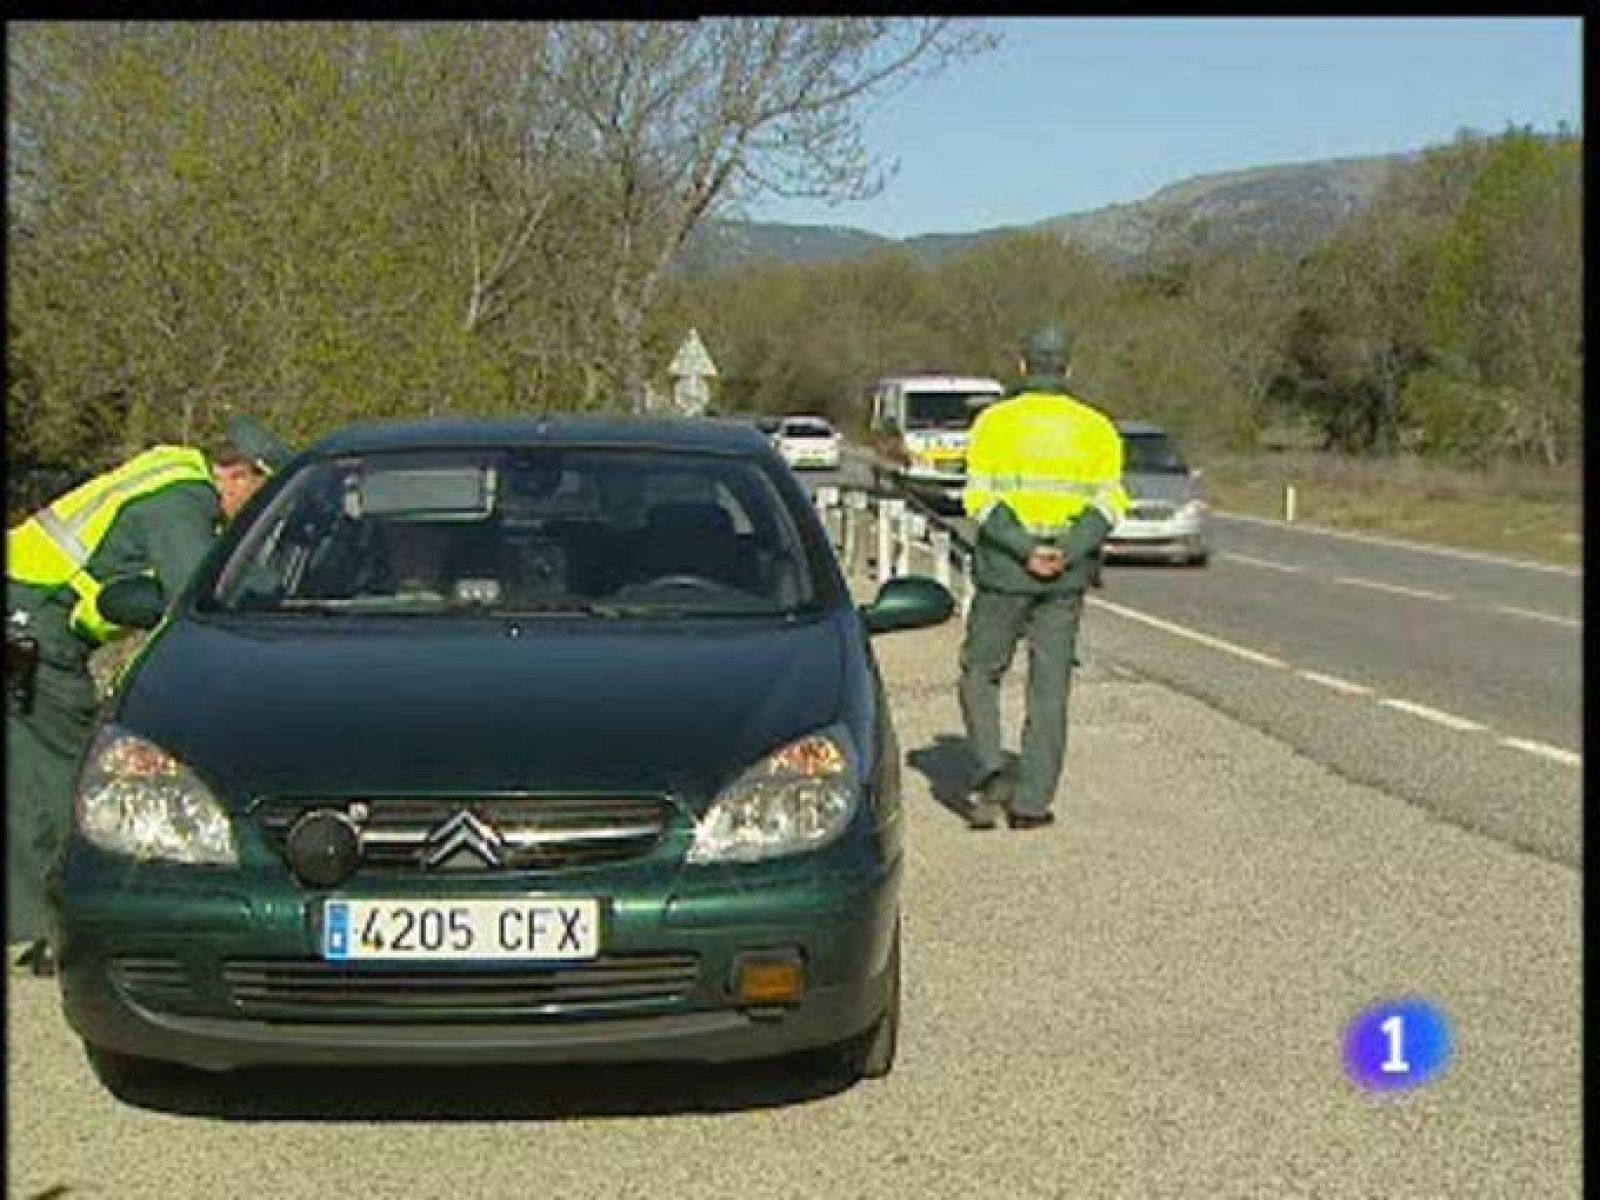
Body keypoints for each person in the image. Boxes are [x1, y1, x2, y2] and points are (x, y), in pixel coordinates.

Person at [5, 416, 285, 975]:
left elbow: (122, 591)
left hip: (31, 616)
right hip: (34, 627)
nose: (251, 515)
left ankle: (38, 927)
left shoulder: (163, 473)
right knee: (68, 774)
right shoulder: (179, 502)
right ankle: (58, 934)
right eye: (259, 495)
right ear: (237, 474)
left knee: (34, 771)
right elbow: (194, 606)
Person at [958, 326, 1129, 832]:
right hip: (1065, 578)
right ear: (1068, 367)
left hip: (1004, 574)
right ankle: (1033, 803)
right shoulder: (1097, 428)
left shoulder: (994, 424)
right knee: (1050, 687)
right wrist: (1066, 550)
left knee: (980, 671)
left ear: (1023, 364)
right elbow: (1109, 502)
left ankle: (992, 768)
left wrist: (1024, 548)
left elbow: (980, 500)